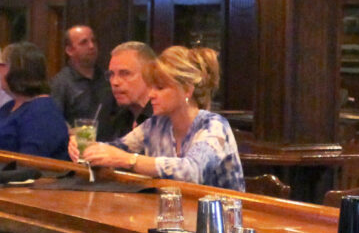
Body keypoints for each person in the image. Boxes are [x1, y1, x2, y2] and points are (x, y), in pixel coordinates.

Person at [80, 45, 244, 190]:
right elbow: (117, 149)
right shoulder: (157, 124)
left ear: (187, 90)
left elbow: (192, 171)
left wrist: (129, 160)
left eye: (160, 87)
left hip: (220, 220)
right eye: (151, 87)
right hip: (174, 216)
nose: (151, 94)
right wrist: (87, 148)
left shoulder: (213, 126)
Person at [0, 42, 70, 161]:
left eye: (2, 65)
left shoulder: (42, 112)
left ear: (18, 71)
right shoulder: (10, 105)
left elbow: (30, 163)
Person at [49, 24, 114, 133]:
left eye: (94, 41)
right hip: (76, 145)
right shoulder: (60, 83)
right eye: (84, 42)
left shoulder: (108, 78)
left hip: (108, 146)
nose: (92, 46)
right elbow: (54, 122)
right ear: (69, 50)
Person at [101, 39, 154, 141]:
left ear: (150, 74)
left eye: (125, 73)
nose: (114, 82)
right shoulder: (117, 117)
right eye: (111, 74)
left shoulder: (164, 119)